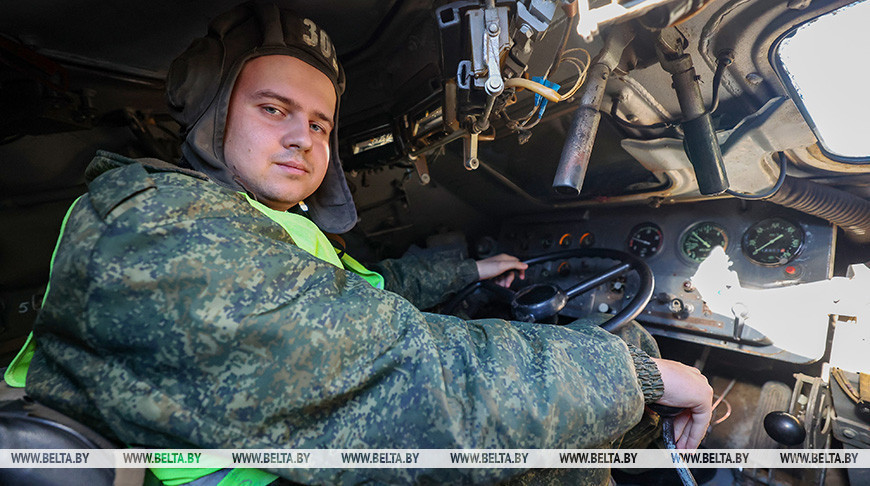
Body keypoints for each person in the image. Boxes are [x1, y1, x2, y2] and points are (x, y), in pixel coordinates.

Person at [4, 2, 712, 484]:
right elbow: (405, 378)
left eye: (319, 124)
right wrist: (635, 379)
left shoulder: (257, 223)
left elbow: (362, 294)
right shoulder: (163, 226)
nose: (301, 138)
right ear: (213, 114)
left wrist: (471, 269)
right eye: (273, 109)